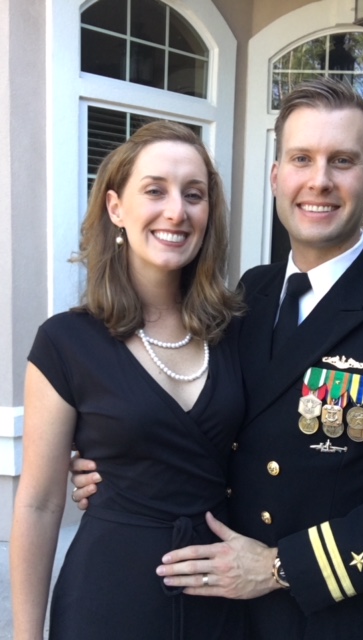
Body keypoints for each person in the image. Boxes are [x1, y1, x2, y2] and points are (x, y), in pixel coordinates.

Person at [71, 79, 363, 639]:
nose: (319, 180)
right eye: (301, 158)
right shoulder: (251, 295)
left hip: (337, 621)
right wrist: (123, 466)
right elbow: (210, 424)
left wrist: (278, 566)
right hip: (224, 614)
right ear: (276, 176)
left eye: (342, 161)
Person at [10, 120, 248, 640]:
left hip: (224, 600)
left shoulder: (237, 333)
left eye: (194, 195)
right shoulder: (65, 343)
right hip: (107, 600)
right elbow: (40, 503)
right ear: (116, 207)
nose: (176, 211)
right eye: (155, 191)